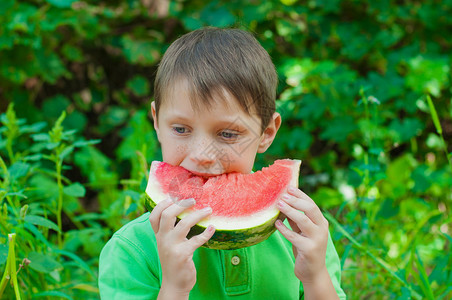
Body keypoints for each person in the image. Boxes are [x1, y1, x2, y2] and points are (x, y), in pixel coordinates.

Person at [99, 27, 346, 299]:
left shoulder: (303, 237)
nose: (202, 154)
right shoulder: (131, 250)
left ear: (266, 133)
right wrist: (174, 287)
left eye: (227, 134)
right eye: (181, 129)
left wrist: (315, 277)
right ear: (157, 120)